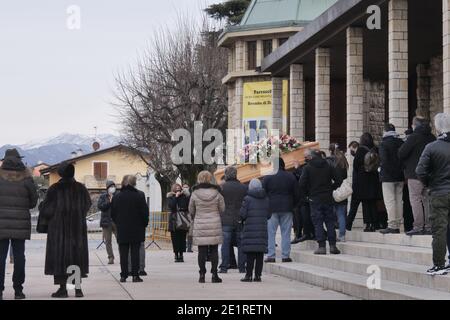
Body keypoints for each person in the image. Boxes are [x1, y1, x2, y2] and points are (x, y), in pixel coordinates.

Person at [39, 162, 91, 298]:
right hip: (77, 230)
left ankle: (63, 289)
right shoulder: (81, 188)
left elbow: (48, 210)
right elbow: (87, 205)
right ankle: (77, 289)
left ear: (61, 173)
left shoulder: (54, 189)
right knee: (75, 257)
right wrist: (78, 214)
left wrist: (42, 208)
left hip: (59, 231)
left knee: (61, 258)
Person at [0, 149, 38, 300]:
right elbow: (33, 201)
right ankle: (18, 290)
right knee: (19, 256)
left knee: (0, 257)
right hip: (20, 222)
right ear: (19, 159)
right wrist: (22, 206)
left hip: (1, 222)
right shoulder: (27, 177)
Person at [416, 113, 450, 275]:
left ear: (437, 128)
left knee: (439, 230)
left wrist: (430, 183)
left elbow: (420, 171)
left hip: (439, 192)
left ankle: (439, 264)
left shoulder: (432, 147)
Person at [300, 149, 343, 254]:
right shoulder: (328, 166)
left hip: (314, 198)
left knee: (318, 222)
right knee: (330, 222)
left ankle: (322, 246)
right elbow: (339, 180)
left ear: (311, 157)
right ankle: (333, 246)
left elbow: (301, 184)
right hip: (327, 197)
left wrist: (307, 194)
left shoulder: (307, 168)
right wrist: (331, 188)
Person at [399, 116, 436, 236]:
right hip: (429, 174)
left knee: (415, 199)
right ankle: (429, 226)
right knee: (427, 200)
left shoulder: (413, 137)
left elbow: (401, 153)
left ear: (415, 125)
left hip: (414, 173)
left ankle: (419, 226)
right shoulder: (432, 137)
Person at [111, 175, 149, 283]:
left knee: (123, 253)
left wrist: (118, 223)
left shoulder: (117, 196)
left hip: (122, 228)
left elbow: (113, 213)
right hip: (137, 228)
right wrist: (144, 224)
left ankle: (123, 275)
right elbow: (144, 213)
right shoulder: (140, 195)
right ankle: (135, 275)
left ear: (123, 182)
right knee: (135, 252)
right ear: (134, 183)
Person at [189, 171, 225, 284]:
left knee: (201, 251)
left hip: (200, 224)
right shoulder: (217, 193)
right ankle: (214, 274)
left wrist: (197, 216)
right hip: (214, 223)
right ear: (210, 179)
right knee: (214, 250)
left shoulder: (195, 193)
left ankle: (202, 274)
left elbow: (191, 210)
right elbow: (222, 209)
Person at [263, 157, 299, 263]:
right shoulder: (290, 176)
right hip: (287, 207)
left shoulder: (268, 177)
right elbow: (297, 192)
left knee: (271, 233)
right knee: (286, 232)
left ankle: (271, 255)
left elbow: (263, 193)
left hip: (272, 208)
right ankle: (285, 255)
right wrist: (293, 205)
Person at [347, 134, 381, 232]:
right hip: (374, 180)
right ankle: (375, 224)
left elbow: (356, 165)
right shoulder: (375, 149)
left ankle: (368, 225)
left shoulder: (361, 150)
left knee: (366, 204)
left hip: (363, 182)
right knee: (373, 204)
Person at [240, 179, 271, 282]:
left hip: (250, 230)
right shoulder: (266, 199)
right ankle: (258, 276)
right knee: (259, 255)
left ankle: (248, 275)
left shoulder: (247, 199)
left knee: (250, 255)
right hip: (262, 230)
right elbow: (269, 215)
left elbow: (242, 214)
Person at [219, 166, 248, 274]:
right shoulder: (243, 187)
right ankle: (242, 267)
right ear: (236, 174)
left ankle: (224, 267)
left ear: (226, 175)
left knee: (225, 244)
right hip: (239, 219)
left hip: (225, 219)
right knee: (241, 244)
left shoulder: (222, 188)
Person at [379, 124, 405, 234]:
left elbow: (384, 160)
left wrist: (380, 169)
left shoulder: (383, 144)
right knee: (399, 200)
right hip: (400, 175)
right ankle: (399, 223)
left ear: (385, 131)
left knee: (390, 201)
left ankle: (392, 225)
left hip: (388, 177)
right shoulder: (401, 142)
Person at [327, 144, 349, 242]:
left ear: (330, 150)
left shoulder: (329, 161)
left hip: (332, 190)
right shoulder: (343, 160)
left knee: (330, 215)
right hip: (342, 190)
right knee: (341, 214)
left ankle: (332, 235)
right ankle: (342, 235)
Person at [293, 160, 315, 243]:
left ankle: (306, 233)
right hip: (301, 198)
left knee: (304, 217)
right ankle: (299, 234)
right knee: (298, 217)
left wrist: (297, 168)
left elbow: (303, 180)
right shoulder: (304, 168)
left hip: (305, 198)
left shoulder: (307, 168)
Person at [167, 183, 190, 262]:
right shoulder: (170, 197)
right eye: (176, 189)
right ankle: (176, 255)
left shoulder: (185, 196)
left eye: (179, 188)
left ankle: (181, 255)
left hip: (183, 220)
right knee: (175, 239)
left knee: (182, 238)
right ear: (173, 189)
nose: (178, 190)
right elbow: (172, 206)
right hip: (174, 220)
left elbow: (187, 206)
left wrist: (186, 194)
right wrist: (176, 197)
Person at [98, 180, 118, 264]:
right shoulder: (103, 196)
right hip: (106, 222)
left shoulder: (118, 195)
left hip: (116, 221)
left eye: (113, 186)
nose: (112, 188)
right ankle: (111, 257)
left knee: (120, 240)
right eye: (110, 186)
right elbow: (100, 206)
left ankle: (124, 256)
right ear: (107, 188)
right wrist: (109, 202)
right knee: (108, 241)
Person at [183, 184, 194, 253]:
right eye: (184, 187)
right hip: (183, 215)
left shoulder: (191, 196)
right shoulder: (180, 195)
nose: (185, 189)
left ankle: (189, 247)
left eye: (186, 187)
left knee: (190, 232)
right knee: (183, 232)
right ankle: (184, 246)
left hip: (189, 215)